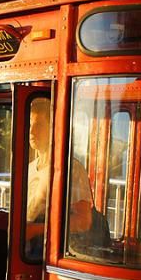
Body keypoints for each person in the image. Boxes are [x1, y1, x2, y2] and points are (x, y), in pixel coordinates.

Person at [25, 98, 94, 258]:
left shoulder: (70, 169)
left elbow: (84, 221)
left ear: (53, 129)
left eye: (39, 125)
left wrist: (35, 230)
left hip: (50, 251)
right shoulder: (30, 168)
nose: (32, 132)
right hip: (26, 249)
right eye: (30, 125)